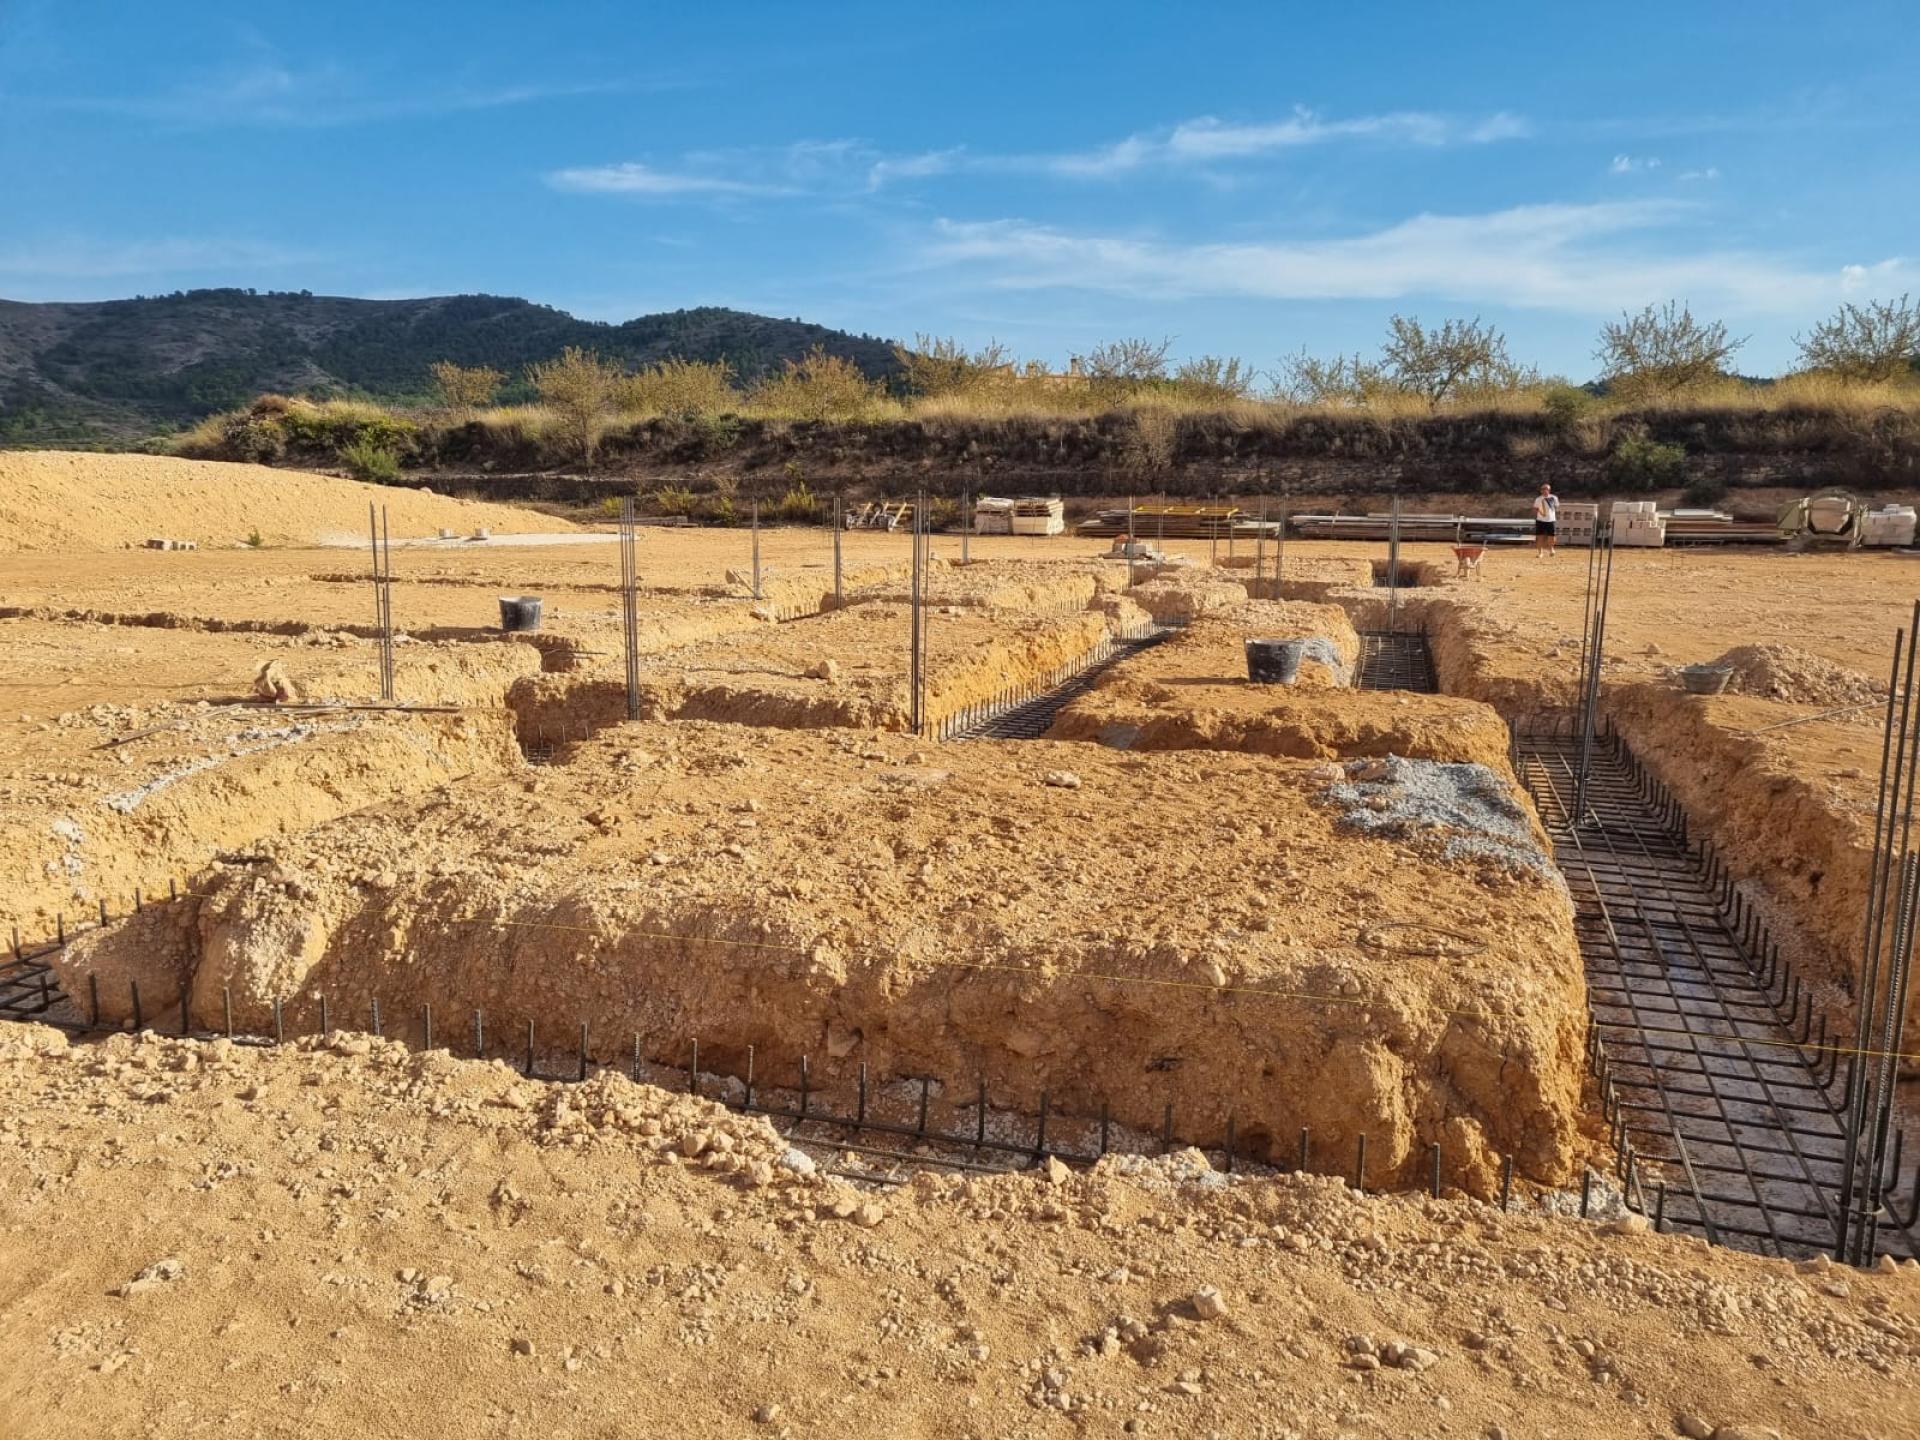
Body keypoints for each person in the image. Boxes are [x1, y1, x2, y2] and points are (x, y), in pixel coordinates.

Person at [1533, 483, 1559, 557]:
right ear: (1541, 491)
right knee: (1539, 537)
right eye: (1543, 489)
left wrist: (1549, 512)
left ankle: (1551, 549)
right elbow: (1535, 508)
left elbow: (1556, 507)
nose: (1545, 490)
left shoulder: (1554, 498)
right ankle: (1540, 553)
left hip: (1551, 520)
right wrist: (1540, 512)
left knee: (1552, 537)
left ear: (1549, 490)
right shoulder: (1538, 499)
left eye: (1546, 489)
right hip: (1540, 521)